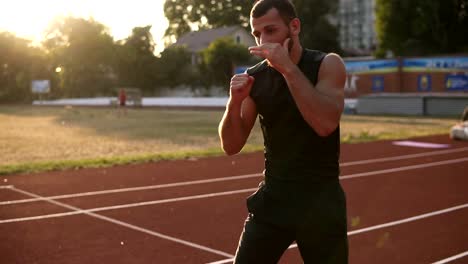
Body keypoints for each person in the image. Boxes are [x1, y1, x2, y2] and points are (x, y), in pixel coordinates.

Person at [218, 0, 348, 263]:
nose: (263, 40)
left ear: (294, 27)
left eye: (271, 31)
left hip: (320, 201)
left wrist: (287, 68)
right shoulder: (256, 77)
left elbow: (324, 124)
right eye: (257, 34)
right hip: (274, 199)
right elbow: (231, 145)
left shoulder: (327, 65)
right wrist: (234, 103)